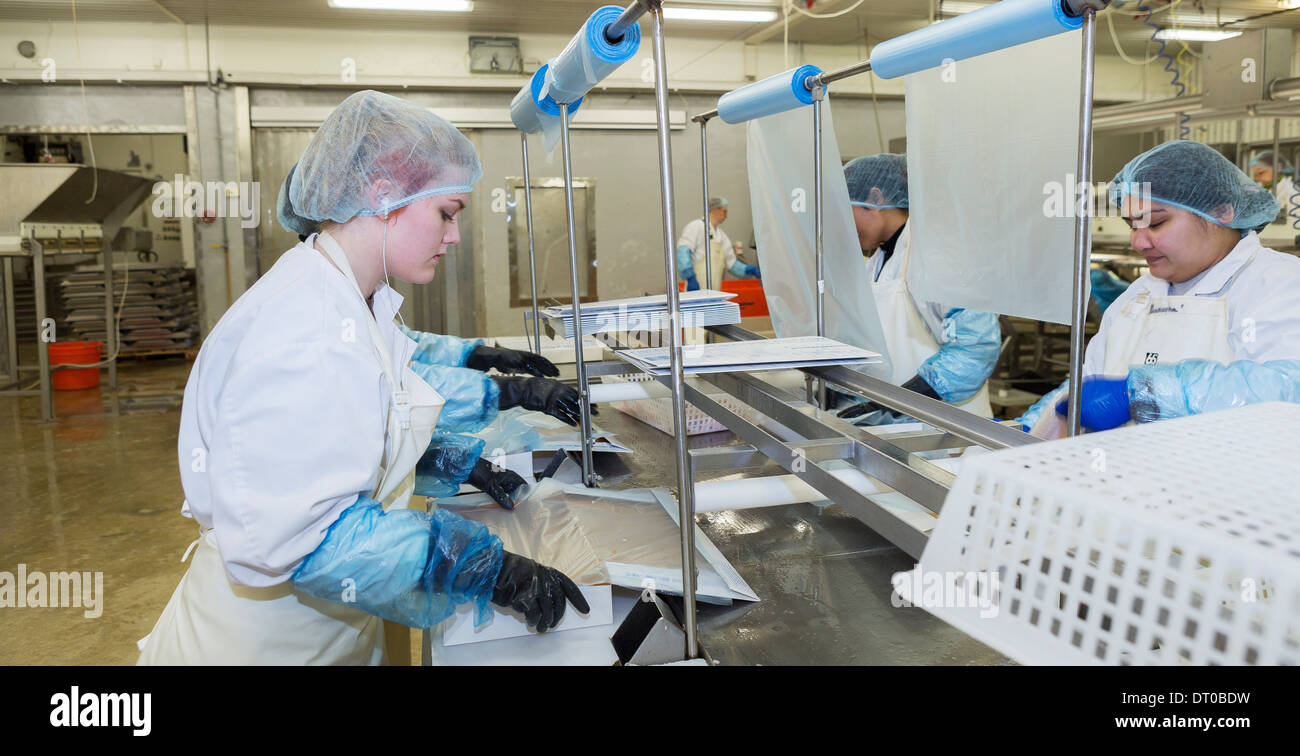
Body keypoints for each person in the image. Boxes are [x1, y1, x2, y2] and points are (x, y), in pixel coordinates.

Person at [137, 91, 588, 665]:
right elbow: (309, 539)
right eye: (446, 213)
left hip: (322, 631)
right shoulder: (308, 334)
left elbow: (352, 433)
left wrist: (449, 462)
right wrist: (487, 570)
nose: (453, 236)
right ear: (384, 197)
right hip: (267, 645)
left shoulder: (345, 296)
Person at [1020, 140, 1300, 437]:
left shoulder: (1279, 283)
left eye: (1155, 223)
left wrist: (1144, 393)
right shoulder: (1138, 295)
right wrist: (1035, 425)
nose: (1138, 243)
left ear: (1222, 212)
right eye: (1132, 225)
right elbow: (1088, 382)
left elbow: (1286, 389)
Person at [833, 154, 1000, 425]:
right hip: (902, 429)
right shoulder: (877, 261)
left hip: (948, 430)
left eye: (844, 210)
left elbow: (975, 348)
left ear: (875, 199)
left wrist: (908, 396)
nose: (842, 224)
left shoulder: (939, 254)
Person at [676, 197, 760, 291]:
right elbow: (682, 252)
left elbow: (732, 264)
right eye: (724, 211)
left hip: (715, 292)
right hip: (695, 290)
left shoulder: (721, 236)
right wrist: (690, 277)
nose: (726, 216)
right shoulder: (696, 227)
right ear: (714, 209)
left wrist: (751, 270)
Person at [1248, 150, 1297, 214]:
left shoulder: (1293, 195)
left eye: (1261, 173)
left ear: (1278, 167)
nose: (1257, 178)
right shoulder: (1258, 188)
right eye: (1255, 174)